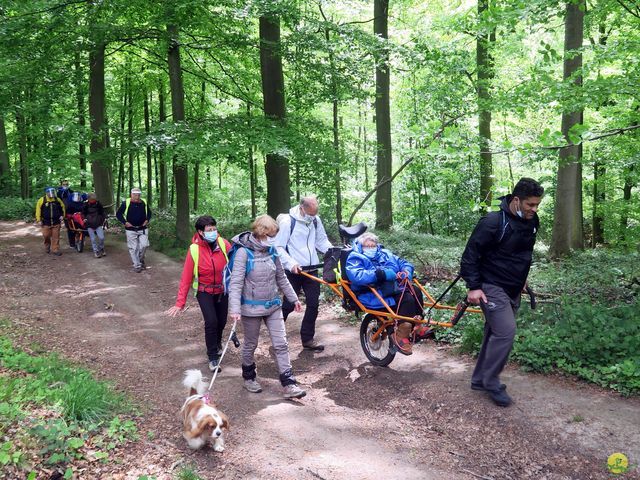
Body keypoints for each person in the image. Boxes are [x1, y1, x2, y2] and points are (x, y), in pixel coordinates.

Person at [460, 177, 543, 407]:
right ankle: (491, 381)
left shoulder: (532, 222)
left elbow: (524, 255)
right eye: (530, 205)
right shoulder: (493, 222)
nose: (534, 209)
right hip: (490, 285)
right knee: (506, 331)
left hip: (513, 287)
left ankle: (479, 379)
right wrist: (474, 287)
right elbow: (470, 256)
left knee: (494, 332)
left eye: (537, 205)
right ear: (516, 200)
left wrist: (523, 280)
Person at [228, 214, 306, 399]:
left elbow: (281, 277)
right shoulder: (243, 253)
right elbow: (236, 283)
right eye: (270, 235)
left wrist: (294, 299)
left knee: (281, 344)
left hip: (273, 305)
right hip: (250, 308)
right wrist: (235, 310)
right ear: (261, 233)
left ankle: (289, 383)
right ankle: (249, 377)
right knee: (250, 344)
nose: (273, 239)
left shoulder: (272, 251)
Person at [167, 216, 231, 373]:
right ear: (200, 232)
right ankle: (212, 357)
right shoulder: (194, 250)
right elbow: (186, 277)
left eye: (214, 229)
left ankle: (217, 342)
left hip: (222, 290)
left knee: (222, 321)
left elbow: (237, 261)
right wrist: (179, 303)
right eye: (209, 230)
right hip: (204, 291)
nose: (213, 232)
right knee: (211, 321)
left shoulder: (224, 244)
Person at [345, 232, 426, 356]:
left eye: (373, 246)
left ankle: (417, 325)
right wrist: (380, 274)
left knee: (415, 291)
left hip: (391, 288)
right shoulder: (355, 257)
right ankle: (401, 334)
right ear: (361, 246)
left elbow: (404, 263)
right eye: (367, 246)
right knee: (406, 298)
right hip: (371, 292)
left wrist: (406, 272)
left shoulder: (386, 254)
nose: (371, 248)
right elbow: (356, 275)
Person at [275, 196, 333, 352]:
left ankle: (307, 339)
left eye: (315, 213)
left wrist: (333, 253)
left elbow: (321, 241)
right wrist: (291, 263)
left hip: (311, 269)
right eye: (310, 213)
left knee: (313, 304)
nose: (313, 217)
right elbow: (278, 247)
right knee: (288, 305)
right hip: (293, 270)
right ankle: (277, 338)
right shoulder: (288, 222)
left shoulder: (315, 220)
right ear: (302, 208)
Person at [116, 187, 152, 272]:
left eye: (138, 195)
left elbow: (149, 213)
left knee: (144, 245)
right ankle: (137, 266)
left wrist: (147, 220)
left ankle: (140, 259)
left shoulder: (144, 203)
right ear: (131, 195)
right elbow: (118, 214)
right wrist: (125, 222)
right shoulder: (126, 203)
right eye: (135, 195)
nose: (137, 197)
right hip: (130, 229)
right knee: (133, 248)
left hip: (143, 228)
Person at [35, 187, 66, 256]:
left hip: (56, 222)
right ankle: (47, 245)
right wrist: (39, 220)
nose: (51, 193)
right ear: (47, 193)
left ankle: (55, 249)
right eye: (49, 192)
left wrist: (62, 216)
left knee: (56, 236)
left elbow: (62, 208)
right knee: (46, 235)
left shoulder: (57, 200)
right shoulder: (42, 200)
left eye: (52, 192)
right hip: (46, 222)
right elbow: (38, 210)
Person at [82, 193, 106, 258]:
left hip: (98, 224)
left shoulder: (98, 204)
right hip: (89, 224)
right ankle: (96, 251)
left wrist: (102, 221)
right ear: (89, 199)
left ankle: (101, 248)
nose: (93, 201)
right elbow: (83, 213)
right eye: (92, 199)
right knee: (93, 239)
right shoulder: (85, 205)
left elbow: (102, 213)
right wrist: (84, 219)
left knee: (101, 237)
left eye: (94, 199)